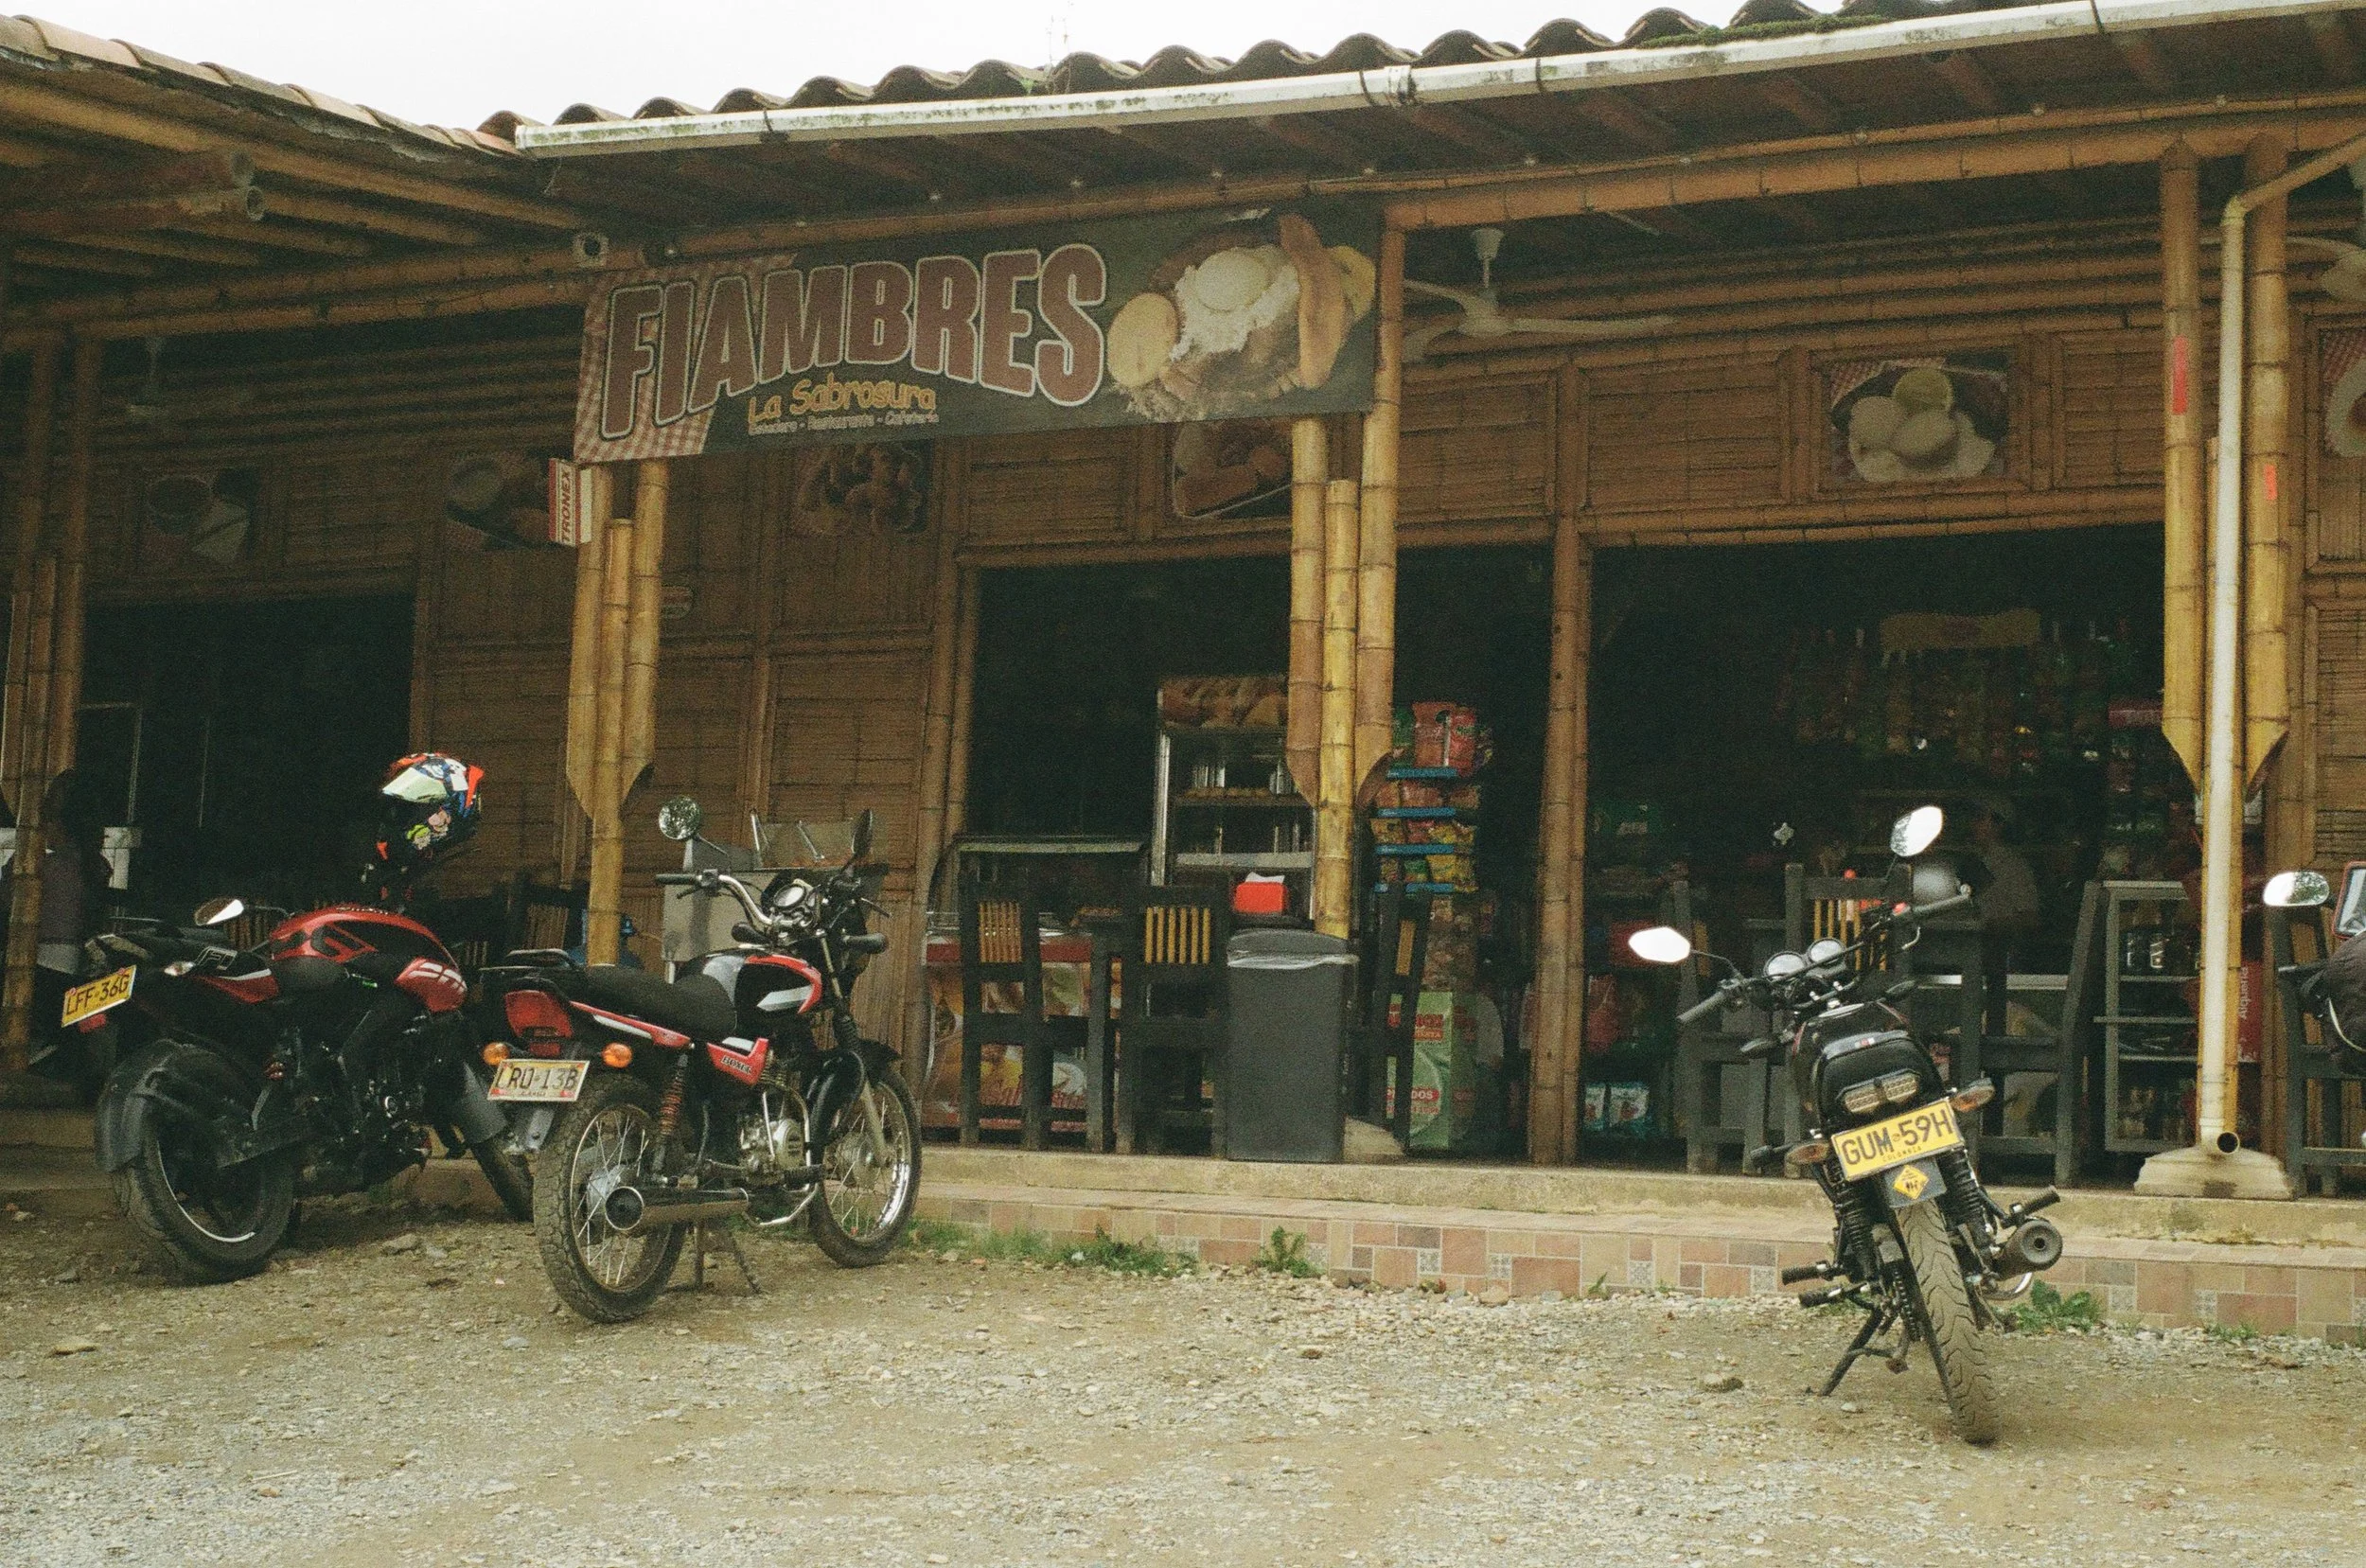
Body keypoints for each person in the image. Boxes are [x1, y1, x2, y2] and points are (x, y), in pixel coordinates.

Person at [26, 769, 113, 1098]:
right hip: (83, 969)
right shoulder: (97, 867)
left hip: (44, 971)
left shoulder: (43, 868)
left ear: (59, 822)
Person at [1969, 800, 2040, 1040]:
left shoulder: (2013, 866)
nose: (1974, 824)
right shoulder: (1977, 862)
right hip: (1977, 961)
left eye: (1982, 818)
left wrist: (1991, 926)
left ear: (1998, 825)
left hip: (2005, 959)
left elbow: (2030, 918)